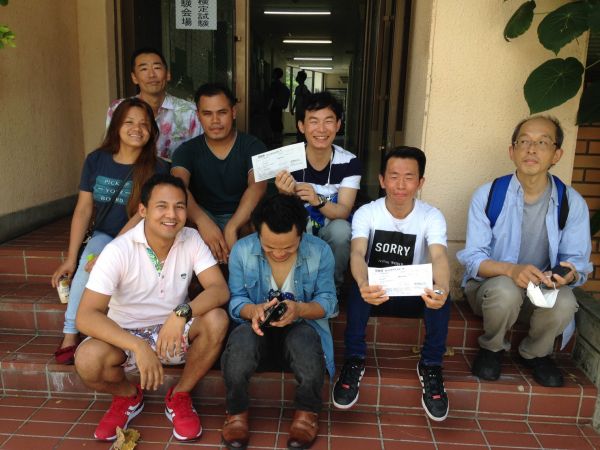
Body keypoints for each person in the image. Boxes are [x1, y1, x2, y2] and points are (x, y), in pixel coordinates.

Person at [74, 173, 230, 442]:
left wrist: (181, 313)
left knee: (217, 319)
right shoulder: (118, 250)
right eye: (162, 206)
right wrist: (137, 345)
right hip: (125, 336)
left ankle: (180, 395)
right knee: (87, 359)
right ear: (143, 210)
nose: (172, 215)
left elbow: (219, 289)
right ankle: (127, 397)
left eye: (179, 206)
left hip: (173, 332)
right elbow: (86, 316)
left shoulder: (191, 238)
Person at [457, 115, 593, 387]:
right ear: (512, 150)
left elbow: (577, 262)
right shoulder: (489, 194)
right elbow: (473, 259)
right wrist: (511, 270)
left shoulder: (571, 202)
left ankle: (536, 353)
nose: (531, 149)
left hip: (540, 291)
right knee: (506, 290)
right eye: (524, 141)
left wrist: (567, 275)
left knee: (565, 300)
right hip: (491, 291)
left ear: (557, 154)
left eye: (542, 142)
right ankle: (492, 348)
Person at [332, 147, 451, 422]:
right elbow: (357, 253)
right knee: (358, 290)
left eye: (409, 177)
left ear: (420, 182)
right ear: (382, 180)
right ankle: (354, 361)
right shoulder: (367, 212)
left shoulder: (431, 216)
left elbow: (438, 256)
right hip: (377, 294)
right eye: (394, 176)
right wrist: (363, 282)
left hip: (413, 293)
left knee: (441, 294)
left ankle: (431, 366)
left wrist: (443, 288)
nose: (400, 185)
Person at [51, 98, 169, 365]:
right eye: (129, 122)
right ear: (116, 126)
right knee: (90, 258)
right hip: (104, 235)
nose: (137, 129)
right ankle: (70, 333)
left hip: (142, 236)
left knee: (102, 256)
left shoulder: (158, 168)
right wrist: (71, 258)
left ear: (152, 131)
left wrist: (113, 251)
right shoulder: (96, 160)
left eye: (144, 124)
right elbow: (83, 209)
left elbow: (143, 215)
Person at [221, 193, 337, 450]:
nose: (279, 253)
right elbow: (236, 301)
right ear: (257, 233)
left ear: (302, 234)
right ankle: (236, 412)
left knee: (306, 339)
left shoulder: (320, 251)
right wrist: (253, 311)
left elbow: (329, 302)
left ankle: (307, 413)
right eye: (269, 247)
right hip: (257, 332)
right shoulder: (242, 250)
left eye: (289, 247)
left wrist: (300, 309)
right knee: (240, 341)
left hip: (301, 331)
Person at [171, 83, 268, 263]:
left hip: (243, 218)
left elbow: (258, 186)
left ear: (233, 112)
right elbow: (177, 188)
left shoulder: (253, 145)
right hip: (202, 217)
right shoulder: (186, 151)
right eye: (207, 113)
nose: (215, 120)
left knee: (257, 228)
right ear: (198, 116)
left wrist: (232, 227)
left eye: (222, 112)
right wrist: (202, 221)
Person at [275, 91, 361, 291]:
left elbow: (343, 211)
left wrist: (317, 199)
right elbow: (284, 213)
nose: (321, 129)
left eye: (328, 121)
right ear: (301, 126)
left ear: (338, 125)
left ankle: (332, 288)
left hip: (331, 226)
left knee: (342, 230)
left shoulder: (349, 162)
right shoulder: (287, 159)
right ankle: (296, 287)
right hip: (301, 225)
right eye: (313, 121)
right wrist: (284, 194)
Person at [106, 47, 202, 161]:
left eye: (157, 68)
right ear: (134, 78)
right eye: (144, 69)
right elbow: (111, 149)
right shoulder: (118, 108)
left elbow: (199, 155)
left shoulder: (190, 111)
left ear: (168, 74)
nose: (151, 75)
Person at [267, 67, 291, 148]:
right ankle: (278, 140)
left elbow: (272, 97)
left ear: (276, 74)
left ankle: (275, 140)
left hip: (274, 107)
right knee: (278, 122)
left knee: (273, 123)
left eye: (273, 73)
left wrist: (268, 108)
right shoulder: (281, 85)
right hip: (279, 107)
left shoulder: (274, 84)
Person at [291, 70, 311, 142]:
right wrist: (293, 108)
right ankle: (299, 140)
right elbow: (296, 99)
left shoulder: (304, 88)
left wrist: (302, 108)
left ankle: (302, 140)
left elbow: (304, 98)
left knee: (301, 124)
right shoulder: (298, 87)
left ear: (301, 78)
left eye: (298, 76)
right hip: (299, 110)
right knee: (298, 125)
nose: (297, 78)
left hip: (302, 110)